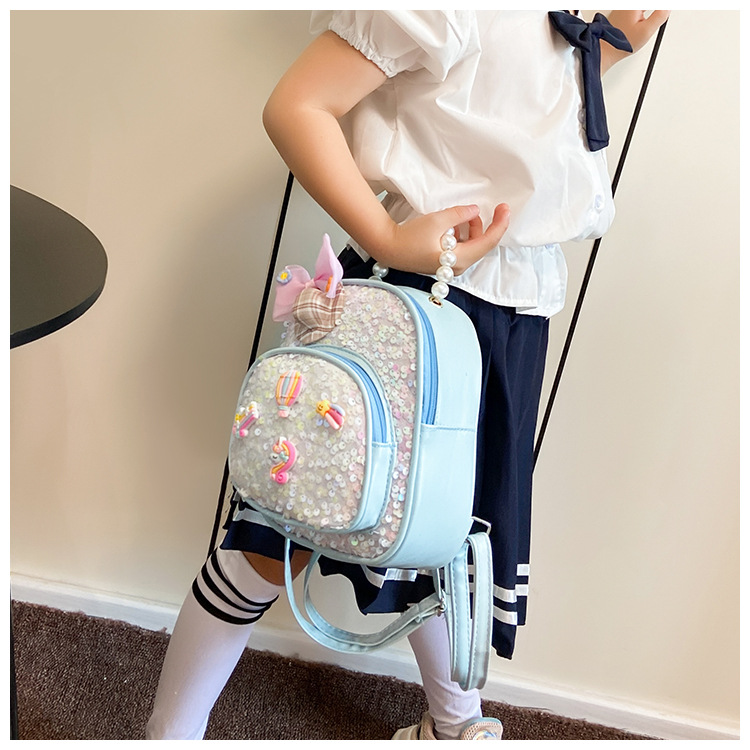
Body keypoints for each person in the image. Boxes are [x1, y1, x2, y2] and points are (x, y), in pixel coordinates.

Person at [146, 10, 669, 741]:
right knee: (280, 532)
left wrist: (603, 54)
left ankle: (453, 725)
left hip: (514, 314)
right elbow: (297, 105)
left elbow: (509, 112)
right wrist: (388, 236)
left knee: (445, 538)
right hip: (414, 300)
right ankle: (169, 732)